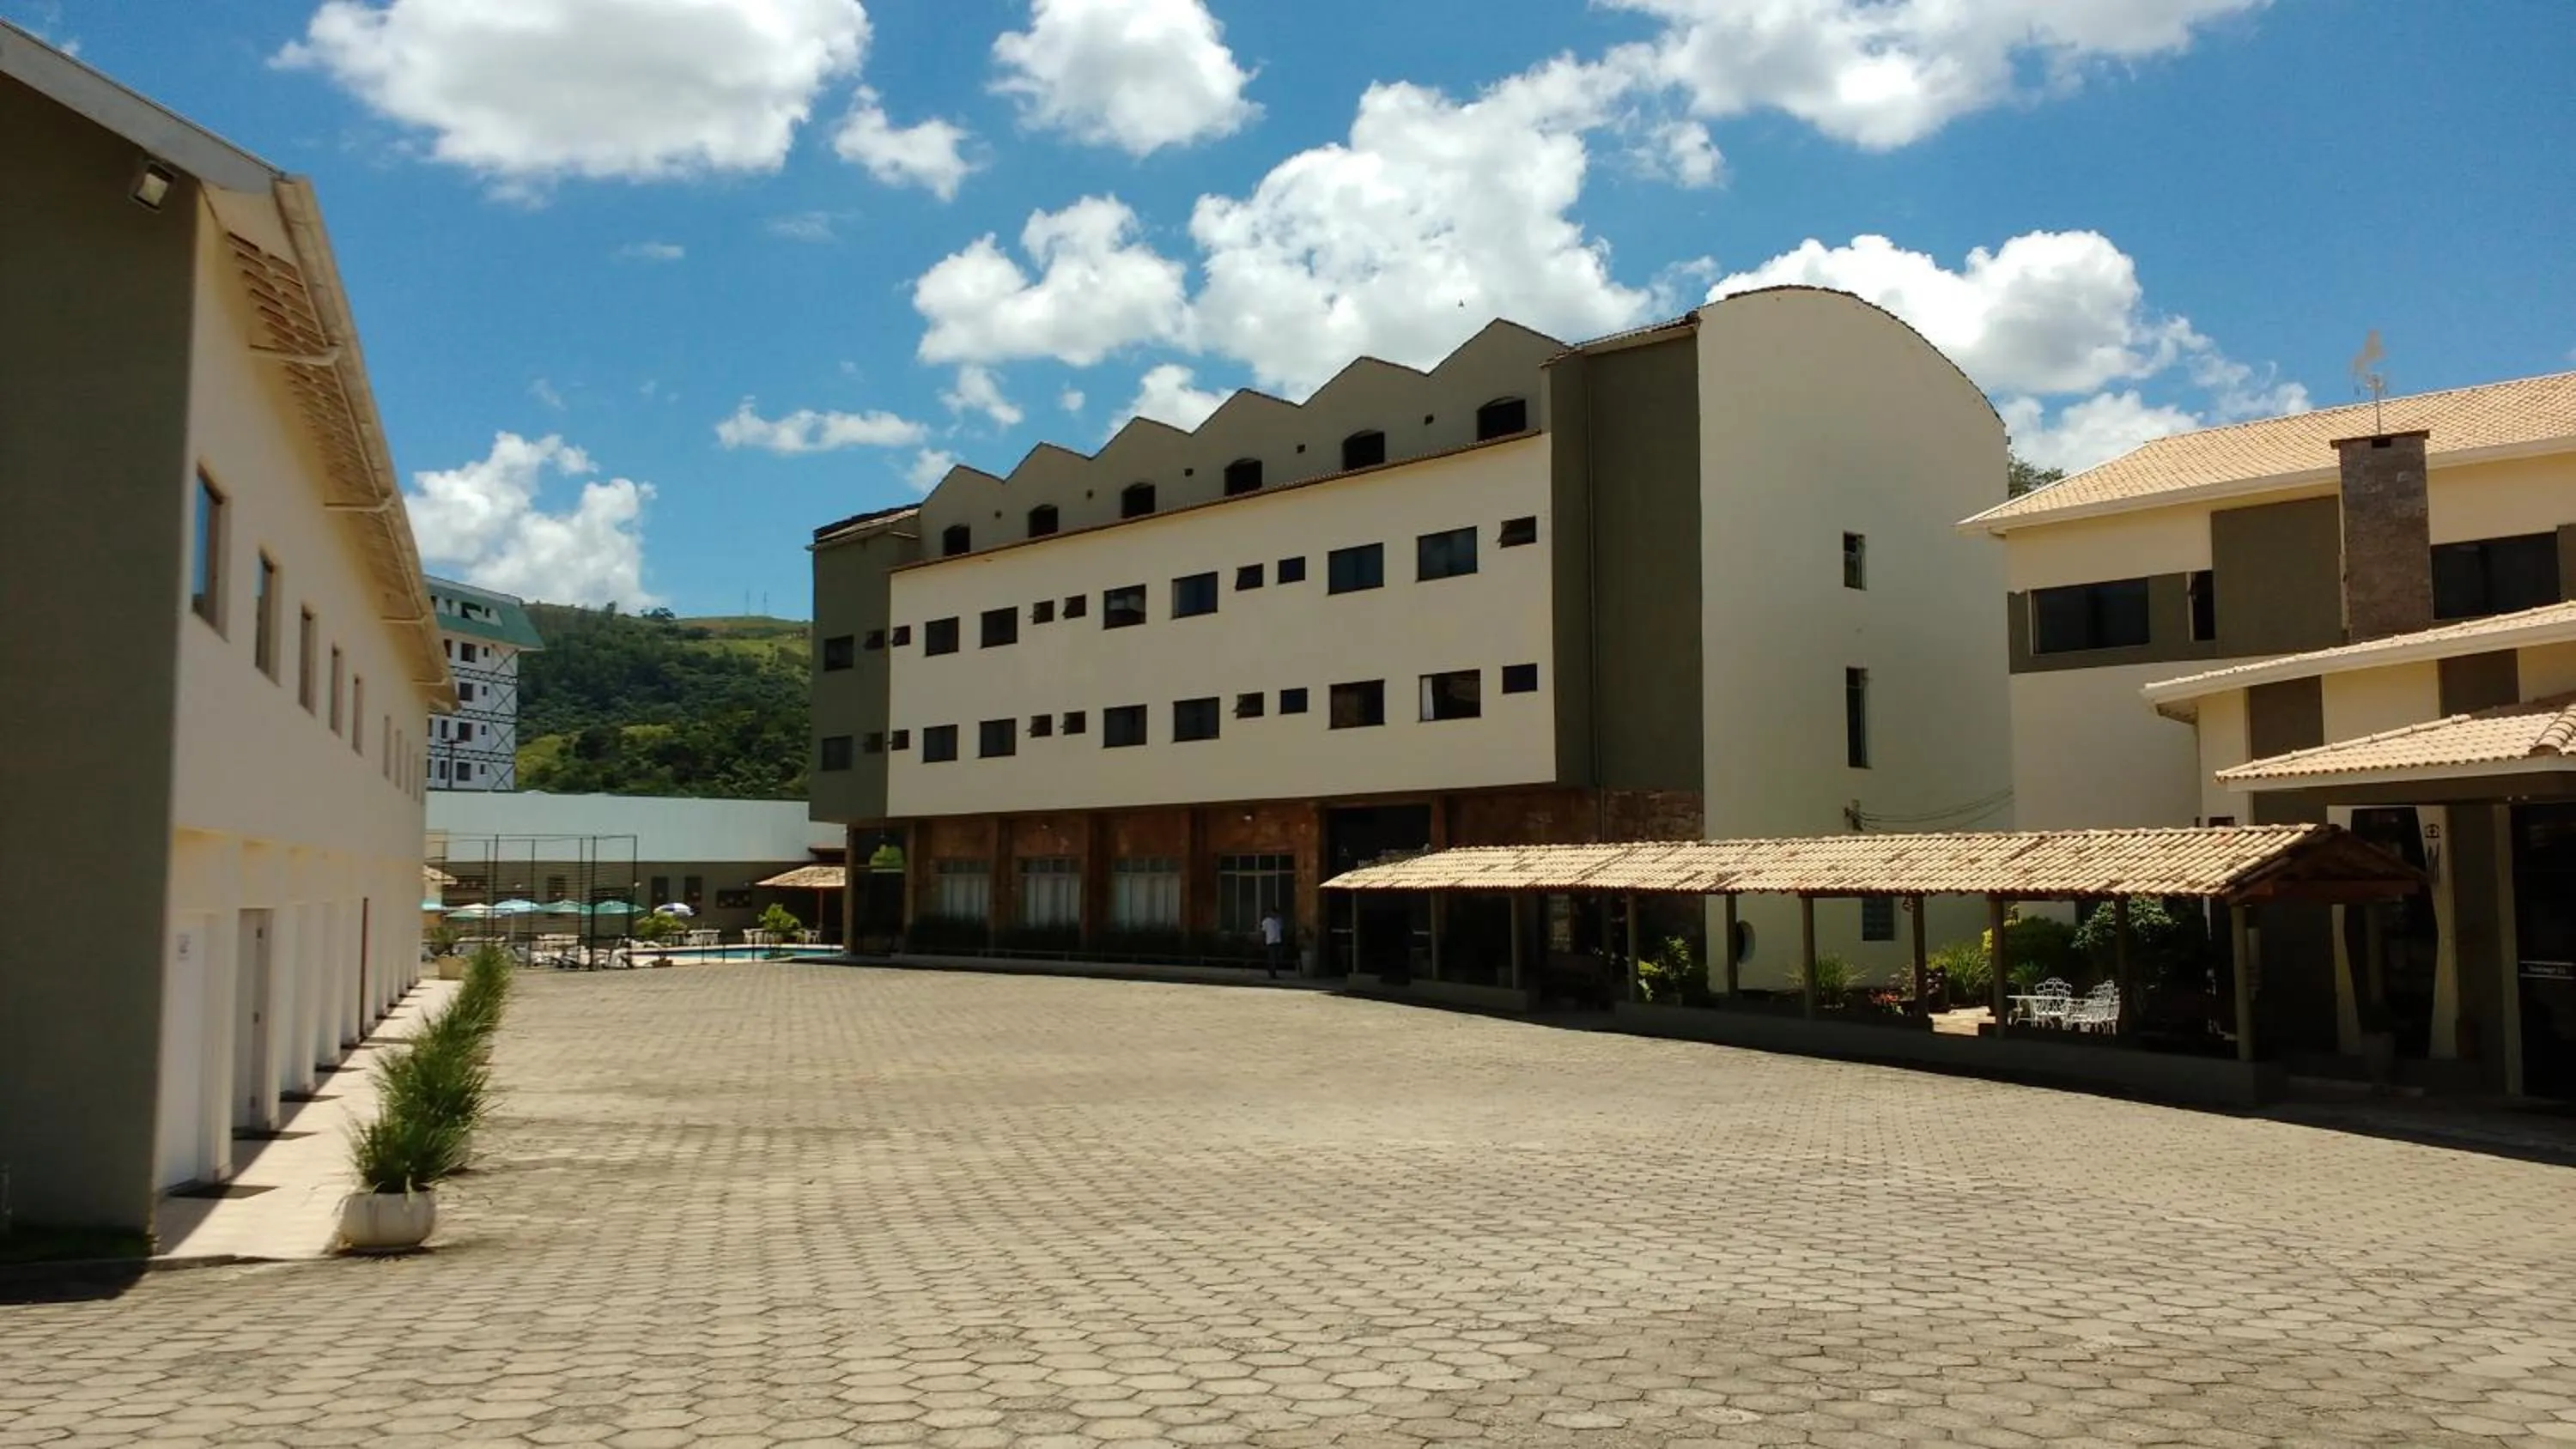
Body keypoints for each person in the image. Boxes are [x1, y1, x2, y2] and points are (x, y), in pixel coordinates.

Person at [1260, 909, 1285, 979]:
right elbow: (1263, 932)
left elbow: (1281, 931)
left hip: (1277, 941)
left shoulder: (1278, 921)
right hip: (1270, 942)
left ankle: (1273, 972)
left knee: (1276, 958)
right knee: (1272, 958)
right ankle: (1272, 973)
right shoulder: (1267, 921)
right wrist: (1263, 942)